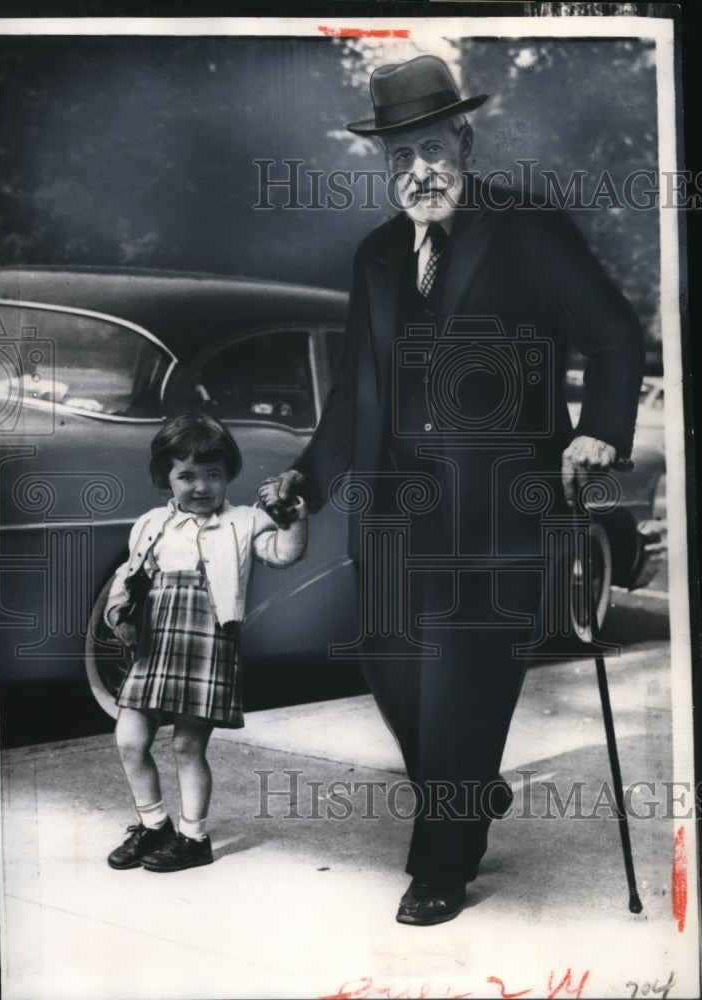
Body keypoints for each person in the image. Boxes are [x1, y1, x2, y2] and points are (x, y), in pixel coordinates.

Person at [258, 55, 644, 925]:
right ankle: (464, 786)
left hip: (500, 517)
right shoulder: (377, 256)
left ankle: (441, 860)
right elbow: (357, 390)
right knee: (391, 672)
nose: (417, 172)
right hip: (394, 522)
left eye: (429, 148)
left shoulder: (529, 231)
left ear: (462, 138)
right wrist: (306, 484)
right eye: (398, 159)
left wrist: (600, 430)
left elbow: (615, 336)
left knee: (459, 693)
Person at [105, 412, 307, 873]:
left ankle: (193, 838)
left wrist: (294, 522)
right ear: (165, 477)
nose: (200, 486)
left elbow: (283, 554)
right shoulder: (151, 523)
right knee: (130, 739)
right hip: (155, 645)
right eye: (186, 475)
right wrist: (120, 611)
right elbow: (132, 574)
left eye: (212, 475)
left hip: (208, 642)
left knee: (186, 746)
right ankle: (155, 825)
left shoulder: (245, 521)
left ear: (228, 475)